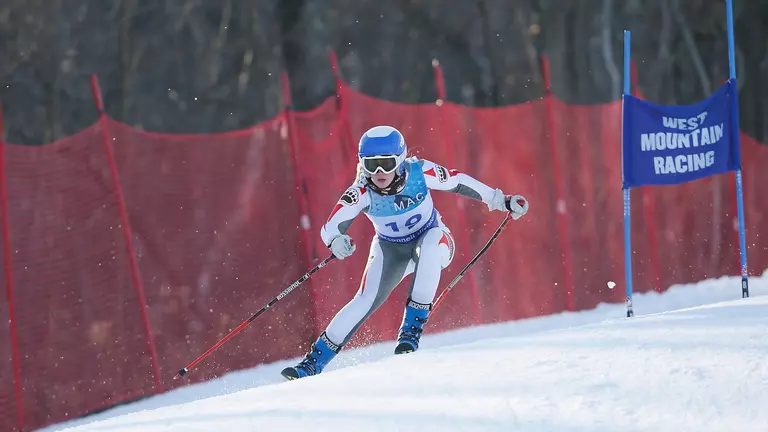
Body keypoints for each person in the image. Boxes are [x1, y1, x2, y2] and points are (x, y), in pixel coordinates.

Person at [281, 125, 529, 380]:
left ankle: (410, 331)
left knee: (430, 246)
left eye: (386, 164)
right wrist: (335, 241)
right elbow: (330, 227)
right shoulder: (361, 191)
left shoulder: (419, 172)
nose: (379, 172)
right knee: (364, 299)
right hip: (392, 251)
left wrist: (501, 200)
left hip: (434, 239)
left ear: (400, 160)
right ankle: (312, 364)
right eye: (371, 165)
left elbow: (458, 181)